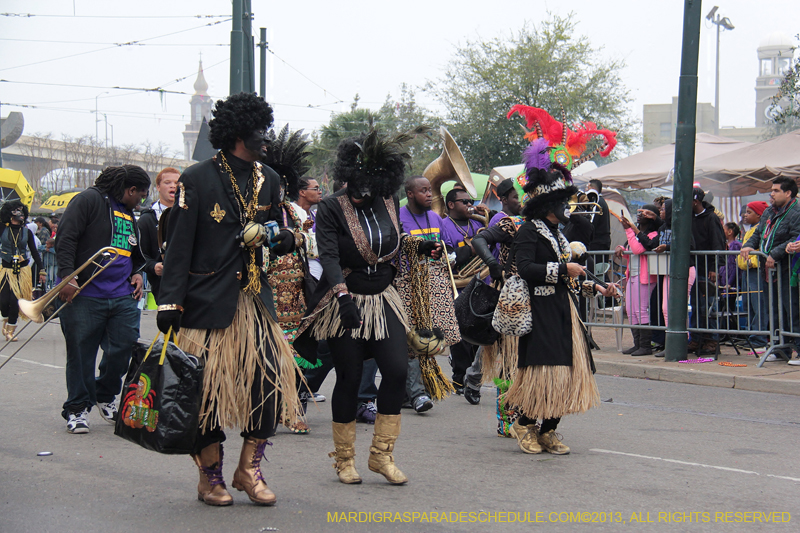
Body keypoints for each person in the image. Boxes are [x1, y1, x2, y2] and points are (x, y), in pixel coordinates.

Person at [157, 92, 299, 507]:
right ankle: (210, 478)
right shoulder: (197, 178)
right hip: (205, 304)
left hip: (255, 302)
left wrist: (277, 235)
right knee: (204, 396)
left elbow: (288, 233)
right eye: (260, 132)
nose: (267, 139)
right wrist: (170, 304)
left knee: (271, 384)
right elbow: (178, 246)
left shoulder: (270, 178)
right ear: (238, 133)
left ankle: (248, 470)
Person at [295, 130, 441, 486]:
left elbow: (392, 240)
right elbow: (327, 254)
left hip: (385, 299)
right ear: (347, 177)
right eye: (357, 185)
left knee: (393, 371)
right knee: (348, 377)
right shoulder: (330, 207)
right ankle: (345, 460)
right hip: (345, 300)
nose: (363, 192)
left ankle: (381, 456)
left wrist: (418, 248)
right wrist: (343, 297)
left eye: (370, 185)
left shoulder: (388, 199)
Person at [503, 137, 617, 455]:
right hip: (539, 311)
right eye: (562, 202)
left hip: (564, 310)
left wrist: (596, 287)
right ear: (546, 204)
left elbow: (571, 275)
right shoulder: (528, 231)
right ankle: (525, 424)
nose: (567, 207)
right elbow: (524, 268)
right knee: (544, 372)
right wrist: (563, 270)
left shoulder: (557, 234)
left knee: (567, 375)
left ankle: (550, 429)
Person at [56, 165, 149, 434]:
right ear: (130, 190)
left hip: (121, 295)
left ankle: (104, 395)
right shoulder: (89, 200)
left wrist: (137, 273)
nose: (141, 200)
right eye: (140, 195)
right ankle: (77, 408)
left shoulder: (128, 211)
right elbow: (66, 238)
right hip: (85, 294)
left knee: (124, 348)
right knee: (81, 355)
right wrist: (67, 277)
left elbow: (128, 249)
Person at [261, 125, 317, 435]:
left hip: (297, 292)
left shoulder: (293, 214)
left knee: (296, 354)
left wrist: (296, 238)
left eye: (283, 184)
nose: (278, 189)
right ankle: (267, 407)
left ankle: (293, 407)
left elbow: (310, 245)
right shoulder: (256, 212)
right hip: (266, 292)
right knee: (269, 353)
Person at [398, 175, 460, 414]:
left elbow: (446, 245)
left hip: (434, 285)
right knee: (413, 340)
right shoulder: (399, 217)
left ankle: (409, 392)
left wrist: (448, 253)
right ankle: (418, 394)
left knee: (430, 339)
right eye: (423, 190)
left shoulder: (435, 217)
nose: (429, 194)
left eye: (429, 190)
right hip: (407, 285)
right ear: (410, 194)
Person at [471, 178, 526, 437]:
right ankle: (505, 417)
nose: (522, 200)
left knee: (525, 362)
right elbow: (482, 241)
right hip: (508, 299)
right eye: (517, 196)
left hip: (531, 301)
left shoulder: (534, 223)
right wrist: (493, 264)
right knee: (507, 361)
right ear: (504, 198)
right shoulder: (506, 222)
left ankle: (526, 416)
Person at [741, 177, 800, 362]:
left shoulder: (797, 211)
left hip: (788, 269)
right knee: (773, 309)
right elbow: (758, 234)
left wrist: (774, 253)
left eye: (775, 190)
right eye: (771, 190)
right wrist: (749, 246)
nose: (771, 194)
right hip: (768, 270)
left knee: (792, 309)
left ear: (788, 193)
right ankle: (779, 347)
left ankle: (797, 349)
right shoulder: (768, 211)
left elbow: (795, 238)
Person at [440, 187, 485, 402]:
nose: (469, 205)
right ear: (451, 205)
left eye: (470, 201)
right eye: (464, 202)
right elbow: (447, 257)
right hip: (456, 283)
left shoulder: (478, 222)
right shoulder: (444, 225)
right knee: (459, 331)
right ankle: (459, 377)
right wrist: (472, 250)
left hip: (480, 282)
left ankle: (471, 376)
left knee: (478, 330)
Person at [652, 199, 696, 357]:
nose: (661, 212)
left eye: (664, 209)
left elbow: (689, 246)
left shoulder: (682, 226)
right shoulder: (663, 228)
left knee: (678, 308)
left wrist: (668, 247)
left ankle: (681, 341)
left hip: (684, 270)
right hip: (667, 270)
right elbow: (651, 243)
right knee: (665, 308)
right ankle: (670, 342)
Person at [615, 205, 661, 356]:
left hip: (645, 276)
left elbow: (638, 249)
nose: (639, 215)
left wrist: (630, 229)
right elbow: (630, 250)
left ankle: (645, 345)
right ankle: (637, 344)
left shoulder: (654, 234)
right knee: (631, 310)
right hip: (632, 275)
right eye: (639, 212)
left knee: (641, 310)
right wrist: (621, 247)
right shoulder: (635, 234)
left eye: (644, 213)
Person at [687, 188, 726, 356]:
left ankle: (712, 340)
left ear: (695, 201)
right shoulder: (688, 218)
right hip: (693, 269)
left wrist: (714, 267)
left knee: (709, 307)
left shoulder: (711, 218)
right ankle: (696, 338)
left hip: (707, 268)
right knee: (696, 307)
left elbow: (718, 243)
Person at [0, 201, 46, 341]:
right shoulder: (2, 228)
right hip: (6, 270)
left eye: (21, 211)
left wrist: (42, 270)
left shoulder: (27, 232)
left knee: (15, 301)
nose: (20, 214)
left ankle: (11, 330)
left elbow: (35, 252)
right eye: (16, 211)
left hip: (22, 271)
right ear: (10, 213)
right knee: (3, 300)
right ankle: (5, 320)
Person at [138, 167, 179, 304]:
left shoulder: (192, 215)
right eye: (167, 182)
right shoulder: (147, 219)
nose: (173, 186)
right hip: (163, 287)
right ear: (158, 187)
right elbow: (140, 255)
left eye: (177, 183)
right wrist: (153, 266)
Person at [736, 201, 769, 347]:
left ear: (759, 215)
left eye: (749, 212)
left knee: (758, 305)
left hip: (755, 271)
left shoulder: (760, 230)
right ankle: (750, 334)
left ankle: (759, 337)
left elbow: (761, 248)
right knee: (748, 305)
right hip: (746, 271)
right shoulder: (748, 229)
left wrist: (752, 262)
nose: (745, 215)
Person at [585, 179, 611, 252]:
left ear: (592, 188)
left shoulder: (596, 201)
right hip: (600, 242)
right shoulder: (601, 201)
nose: (585, 189)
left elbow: (591, 222)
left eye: (587, 187)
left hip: (598, 243)